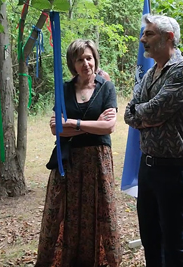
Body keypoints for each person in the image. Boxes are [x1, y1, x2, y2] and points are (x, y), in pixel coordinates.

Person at [124, 15, 183, 267]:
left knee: (173, 244)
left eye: (149, 34)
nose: (142, 39)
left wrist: (145, 115)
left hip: (172, 170)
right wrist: (146, 117)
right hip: (146, 169)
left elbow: (153, 110)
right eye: (143, 34)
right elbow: (129, 113)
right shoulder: (150, 74)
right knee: (150, 239)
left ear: (169, 37)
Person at [35, 39, 121, 267]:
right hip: (69, 159)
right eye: (80, 59)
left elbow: (109, 127)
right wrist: (91, 124)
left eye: (89, 58)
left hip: (97, 160)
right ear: (72, 63)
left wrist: (73, 123)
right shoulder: (63, 90)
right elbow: (56, 129)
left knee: (98, 210)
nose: (86, 63)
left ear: (95, 59)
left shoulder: (106, 88)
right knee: (64, 211)